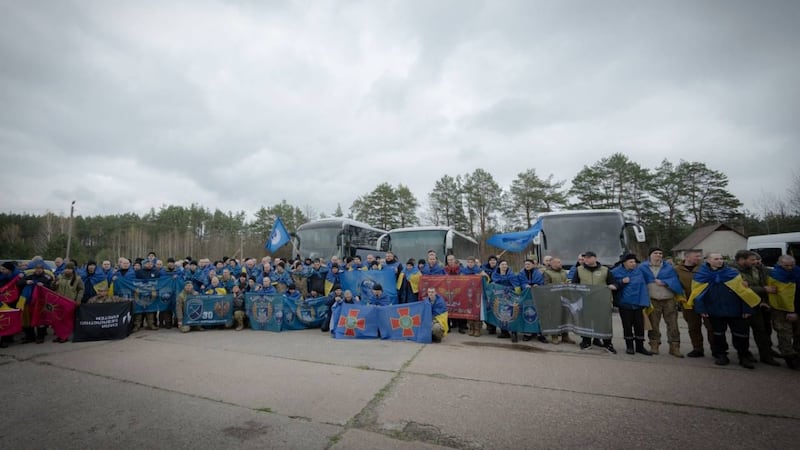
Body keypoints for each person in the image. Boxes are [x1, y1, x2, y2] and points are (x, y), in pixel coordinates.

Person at [688, 252, 760, 369]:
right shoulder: (701, 275)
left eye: (721, 258)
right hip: (714, 310)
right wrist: (701, 309)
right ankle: (721, 355)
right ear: (708, 261)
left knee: (741, 335)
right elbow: (697, 294)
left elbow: (743, 292)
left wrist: (747, 309)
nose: (720, 261)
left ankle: (743, 356)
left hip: (735, 310)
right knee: (718, 335)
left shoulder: (732, 273)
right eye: (716, 259)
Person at [733, 250, 780, 366]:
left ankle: (766, 355)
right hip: (741, 306)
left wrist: (763, 299)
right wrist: (764, 289)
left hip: (757, 304)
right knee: (742, 333)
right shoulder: (733, 272)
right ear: (741, 260)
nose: (755, 262)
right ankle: (744, 355)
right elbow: (741, 289)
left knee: (761, 331)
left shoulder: (754, 269)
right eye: (752, 260)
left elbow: (759, 283)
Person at [641, 247, 684, 357]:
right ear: (650, 255)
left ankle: (674, 347)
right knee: (653, 324)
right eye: (655, 253)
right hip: (652, 300)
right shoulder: (642, 267)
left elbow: (675, 281)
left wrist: (665, 282)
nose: (658, 255)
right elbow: (639, 282)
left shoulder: (669, 268)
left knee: (673, 324)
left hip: (668, 299)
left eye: (660, 253)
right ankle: (654, 345)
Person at [570, 251, 617, 354]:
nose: (585, 259)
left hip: (602, 301)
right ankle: (586, 341)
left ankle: (607, 343)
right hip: (586, 301)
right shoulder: (579, 270)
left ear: (595, 258)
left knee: (603, 322)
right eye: (584, 258)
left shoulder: (605, 270)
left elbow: (613, 283)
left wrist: (613, 286)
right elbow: (574, 284)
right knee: (586, 322)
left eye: (588, 257)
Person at [611, 254, 652, 355]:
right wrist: (621, 281)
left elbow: (649, 280)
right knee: (627, 326)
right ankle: (629, 347)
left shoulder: (640, 271)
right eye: (631, 262)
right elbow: (611, 285)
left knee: (639, 326)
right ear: (624, 262)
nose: (634, 264)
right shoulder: (615, 272)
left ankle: (640, 347)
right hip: (625, 304)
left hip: (638, 303)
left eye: (634, 262)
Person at [675, 250, 713, 358]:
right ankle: (697, 348)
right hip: (688, 302)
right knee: (693, 326)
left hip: (705, 302)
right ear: (687, 257)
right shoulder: (677, 270)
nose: (699, 258)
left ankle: (716, 349)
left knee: (711, 326)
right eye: (696, 256)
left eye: (700, 256)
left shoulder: (705, 268)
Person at [767, 255, 800, 369]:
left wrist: (795, 311)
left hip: (797, 307)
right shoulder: (774, 276)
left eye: (792, 265)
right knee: (785, 334)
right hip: (780, 310)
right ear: (779, 264)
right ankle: (790, 357)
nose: (790, 268)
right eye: (786, 266)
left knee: (798, 333)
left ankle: (797, 353)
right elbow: (778, 295)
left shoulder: (798, 273)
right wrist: (790, 311)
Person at [18, 260, 55, 344]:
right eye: (37, 268)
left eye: (40, 268)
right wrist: (26, 282)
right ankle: (30, 337)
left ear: (43, 269)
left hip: (40, 302)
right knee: (27, 319)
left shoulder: (46, 278)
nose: (38, 270)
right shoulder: (30, 276)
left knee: (40, 319)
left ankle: (40, 337)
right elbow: (19, 283)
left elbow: (51, 288)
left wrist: (44, 285)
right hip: (28, 301)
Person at [542, 257, 576, 344]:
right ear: (552, 264)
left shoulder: (564, 272)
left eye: (560, 262)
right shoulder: (547, 273)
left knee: (565, 317)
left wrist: (568, 282)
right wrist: (558, 285)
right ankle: (554, 336)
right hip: (553, 298)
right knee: (555, 317)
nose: (560, 264)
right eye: (558, 262)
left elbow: (566, 280)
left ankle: (565, 336)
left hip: (565, 297)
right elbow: (546, 285)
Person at [517, 258, 547, 343]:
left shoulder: (538, 273)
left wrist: (537, 285)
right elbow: (520, 282)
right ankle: (528, 333)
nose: (527, 266)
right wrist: (525, 285)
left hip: (537, 296)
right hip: (526, 296)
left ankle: (540, 334)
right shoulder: (521, 273)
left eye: (529, 264)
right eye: (526, 264)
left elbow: (542, 282)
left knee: (538, 314)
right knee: (527, 313)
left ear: (533, 265)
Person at [491, 259, 520, 342]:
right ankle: (504, 332)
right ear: (499, 266)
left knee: (512, 314)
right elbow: (493, 284)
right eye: (502, 264)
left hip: (510, 296)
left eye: (506, 264)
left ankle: (514, 333)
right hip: (499, 297)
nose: (504, 266)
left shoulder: (512, 275)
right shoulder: (495, 274)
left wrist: (516, 293)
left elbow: (517, 285)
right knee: (501, 313)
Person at [460, 256, 485, 337]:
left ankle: (477, 329)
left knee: (477, 310)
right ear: (467, 263)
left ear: (474, 263)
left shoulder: (479, 270)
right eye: (469, 262)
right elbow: (460, 280)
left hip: (477, 293)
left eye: (472, 262)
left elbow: (486, 278)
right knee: (469, 310)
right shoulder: (463, 270)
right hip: (468, 293)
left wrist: (480, 276)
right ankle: (471, 328)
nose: (470, 263)